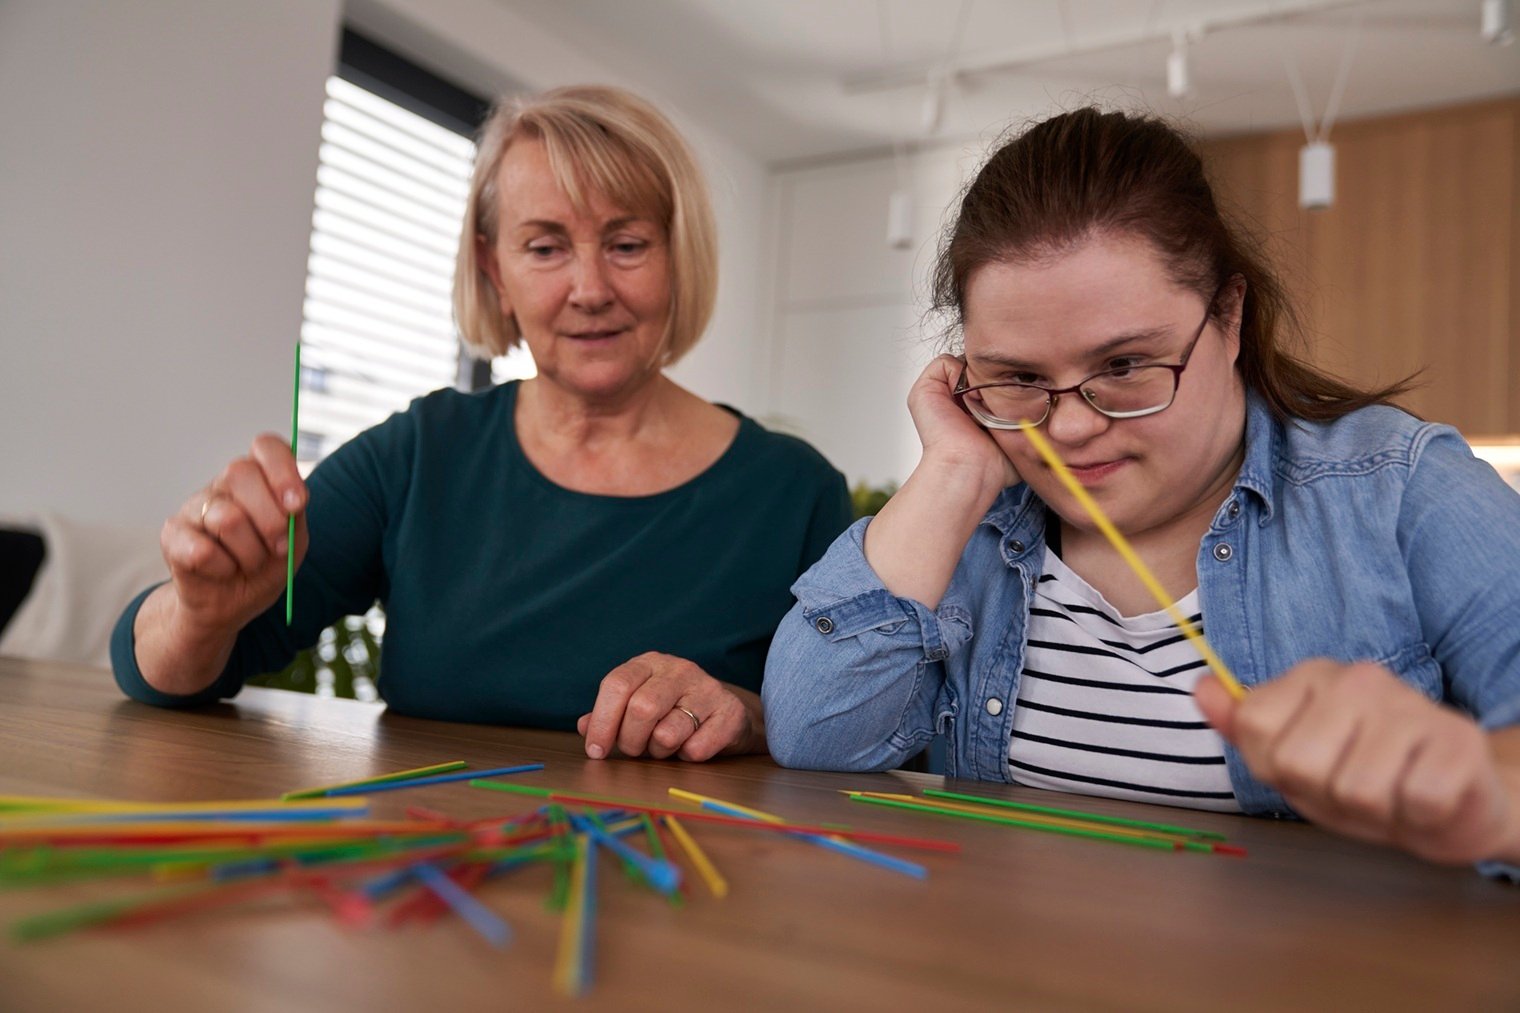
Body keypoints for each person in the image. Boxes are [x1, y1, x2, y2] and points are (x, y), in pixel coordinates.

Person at [763, 107, 1520, 872]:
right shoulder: (967, 520)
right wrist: (954, 475)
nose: (1067, 431)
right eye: (1020, 377)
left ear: (1229, 315)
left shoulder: (1401, 490)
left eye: (1123, 367)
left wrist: (1481, 788)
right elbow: (813, 738)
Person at [112, 85, 852, 762]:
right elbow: (165, 674)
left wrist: (749, 715)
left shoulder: (795, 490)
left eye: (627, 245)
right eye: (545, 247)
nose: (589, 289)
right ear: (493, 270)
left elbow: (866, 726)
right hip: (434, 876)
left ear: (677, 258)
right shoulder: (416, 455)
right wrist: (201, 613)